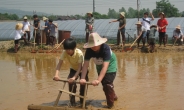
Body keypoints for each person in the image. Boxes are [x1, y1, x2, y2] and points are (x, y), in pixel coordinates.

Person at [79, 33, 118, 108]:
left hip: (110, 64)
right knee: (104, 83)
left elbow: (105, 67)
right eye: (91, 45)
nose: (93, 47)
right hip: (99, 64)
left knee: (107, 83)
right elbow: (85, 65)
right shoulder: (89, 50)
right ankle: (113, 95)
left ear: (100, 43)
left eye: (95, 45)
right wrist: (82, 78)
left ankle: (110, 105)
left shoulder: (105, 49)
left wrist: (98, 80)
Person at [53, 38, 88, 106]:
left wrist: (74, 77)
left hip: (82, 69)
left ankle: (82, 102)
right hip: (73, 69)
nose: (68, 51)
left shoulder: (79, 53)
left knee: (83, 85)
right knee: (71, 83)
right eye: (66, 49)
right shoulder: (65, 52)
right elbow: (59, 64)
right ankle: (72, 103)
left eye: (69, 49)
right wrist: (56, 75)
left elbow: (80, 68)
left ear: (74, 48)